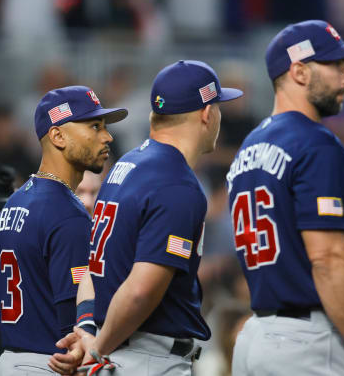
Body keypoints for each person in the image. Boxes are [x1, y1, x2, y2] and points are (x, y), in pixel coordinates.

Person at [48, 60, 243, 375]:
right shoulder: (176, 182)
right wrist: (97, 348)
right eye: (218, 107)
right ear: (207, 114)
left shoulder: (125, 167)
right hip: (146, 357)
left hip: (118, 349)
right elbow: (141, 290)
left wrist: (89, 330)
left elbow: (92, 268)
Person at [225, 20, 344, 376]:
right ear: (299, 71)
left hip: (256, 335)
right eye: (336, 66)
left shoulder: (249, 147)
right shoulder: (316, 143)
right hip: (308, 342)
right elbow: (329, 258)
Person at [0, 86, 127, 375]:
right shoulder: (67, 213)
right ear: (58, 136)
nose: (107, 137)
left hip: (9, 361)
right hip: (51, 363)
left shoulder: (16, 201)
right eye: (94, 126)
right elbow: (74, 321)